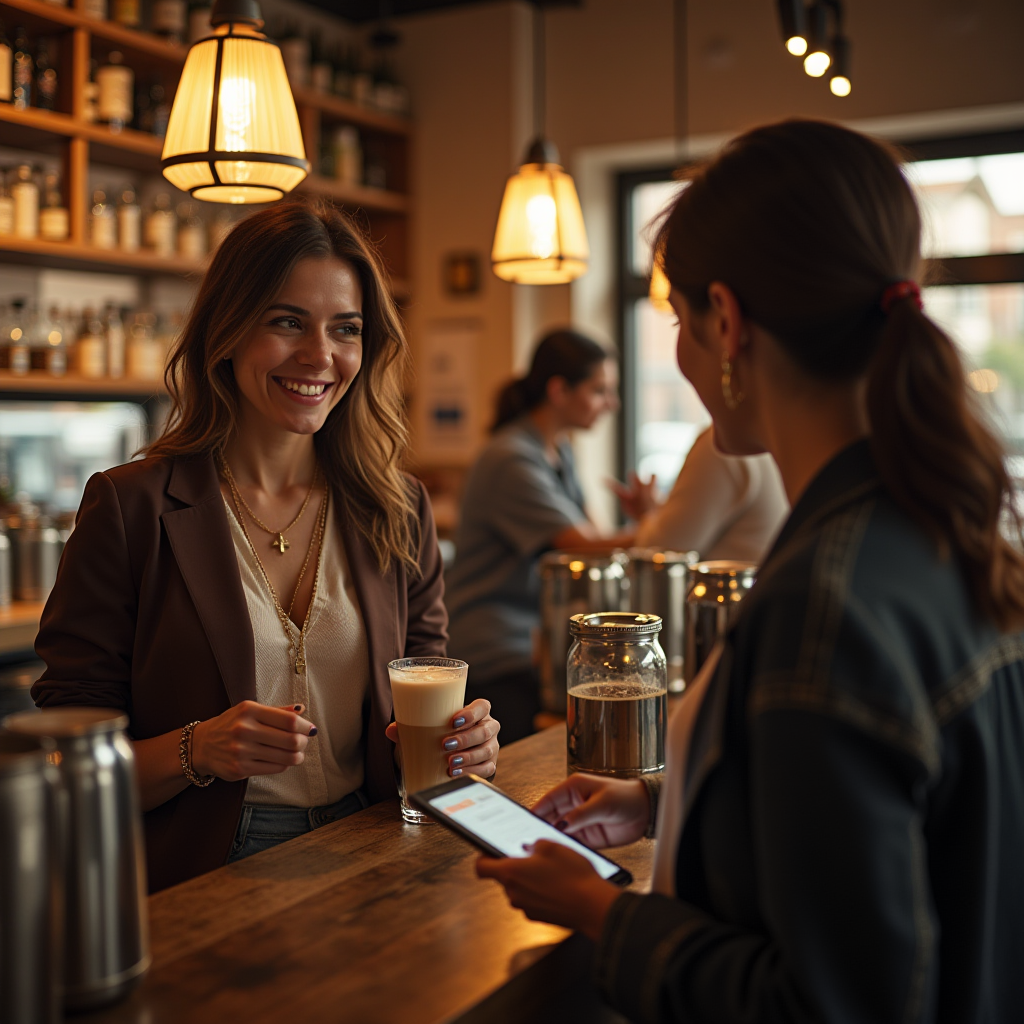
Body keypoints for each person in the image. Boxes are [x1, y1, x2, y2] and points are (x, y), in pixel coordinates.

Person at [475, 120, 1024, 1023]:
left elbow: (825, 1004)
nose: (682, 353)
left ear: (725, 323)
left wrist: (602, 915)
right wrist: (660, 797)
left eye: (678, 322)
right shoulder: (943, 533)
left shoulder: (825, 605)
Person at [32, 200, 500, 893]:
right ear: (227, 331)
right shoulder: (130, 506)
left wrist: (467, 747)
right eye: (286, 322)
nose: (319, 355)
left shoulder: (397, 509)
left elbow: (422, 705)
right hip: (201, 871)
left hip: (373, 849)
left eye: (346, 329)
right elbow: (67, 763)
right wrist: (201, 749)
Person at [445, 330, 627, 743]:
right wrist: (660, 527)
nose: (611, 404)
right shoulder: (510, 457)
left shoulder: (558, 452)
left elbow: (594, 537)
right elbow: (580, 543)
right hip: (496, 651)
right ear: (559, 390)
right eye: (600, 390)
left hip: (531, 645)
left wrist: (642, 524)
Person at [614, 423, 788, 562]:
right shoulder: (774, 433)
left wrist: (648, 515)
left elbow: (666, 549)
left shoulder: (723, 443)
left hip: (733, 601)